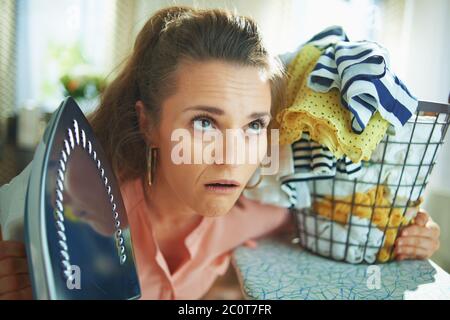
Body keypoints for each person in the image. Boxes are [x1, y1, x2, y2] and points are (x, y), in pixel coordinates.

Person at [0, 6, 440, 300]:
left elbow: (345, 221)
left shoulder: (255, 208)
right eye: (205, 122)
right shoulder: (73, 208)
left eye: (253, 125)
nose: (233, 157)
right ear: (148, 123)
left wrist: (411, 232)